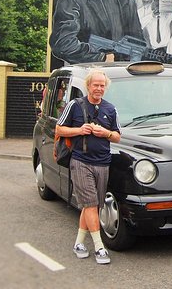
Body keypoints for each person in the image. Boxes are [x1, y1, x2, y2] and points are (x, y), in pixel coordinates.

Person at [56, 70, 121, 265]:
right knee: (91, 204)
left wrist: (106, 133)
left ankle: (78, 244)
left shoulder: (110, 109)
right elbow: (59, 128)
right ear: (88, 86)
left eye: (102, 85)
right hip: (81, 161)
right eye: (96, 85)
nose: (99, 89)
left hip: (102, 162)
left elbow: (117, 136)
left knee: (93, 205)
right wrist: (79, 130)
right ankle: (100, 247)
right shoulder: (75, 105)